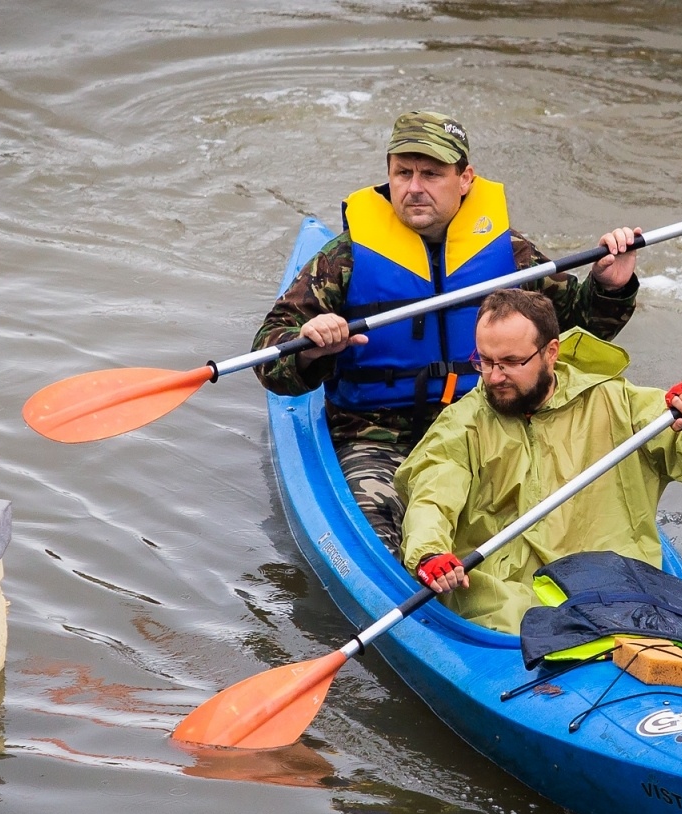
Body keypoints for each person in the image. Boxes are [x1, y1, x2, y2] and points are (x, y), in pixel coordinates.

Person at [253, 110, 641, 552]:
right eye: (403, 173)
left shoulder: (510, 255)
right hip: (378, 437)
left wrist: (611, 286)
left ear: (465, 179)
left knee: (560, 528)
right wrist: (310, 347)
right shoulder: (344, 258)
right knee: (385, 546)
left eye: (432, 174)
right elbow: (270, 352)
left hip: (486, 425)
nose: (414, 188)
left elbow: (576, 329)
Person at [393, 289, 682, 633]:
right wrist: (429, 553)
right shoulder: (461, 424)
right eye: (485, 361)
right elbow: (431, 497)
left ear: (550, 353)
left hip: (615, 589)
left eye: (510, 362)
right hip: (505, 602)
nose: (494, 377)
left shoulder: (618, 402)